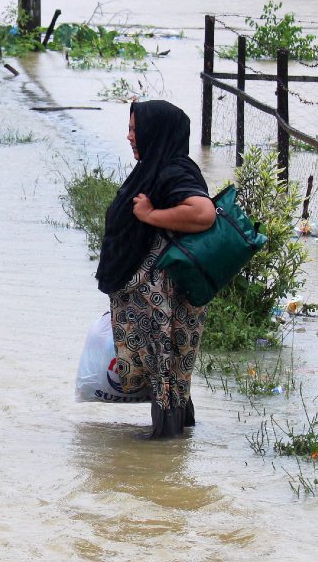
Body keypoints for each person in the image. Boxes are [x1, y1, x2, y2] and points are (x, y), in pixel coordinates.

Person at [95, 100, 216, 439]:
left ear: (155, 132)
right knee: (167, 374)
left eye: (135, 129)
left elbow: (203, 213)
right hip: (153, 299)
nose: (130, 136)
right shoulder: (158, 166)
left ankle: (164, 443)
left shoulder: (174, 171)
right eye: (131, 128)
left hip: (162, 299)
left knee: (165, 372)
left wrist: (150, 216)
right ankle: (173, 449)